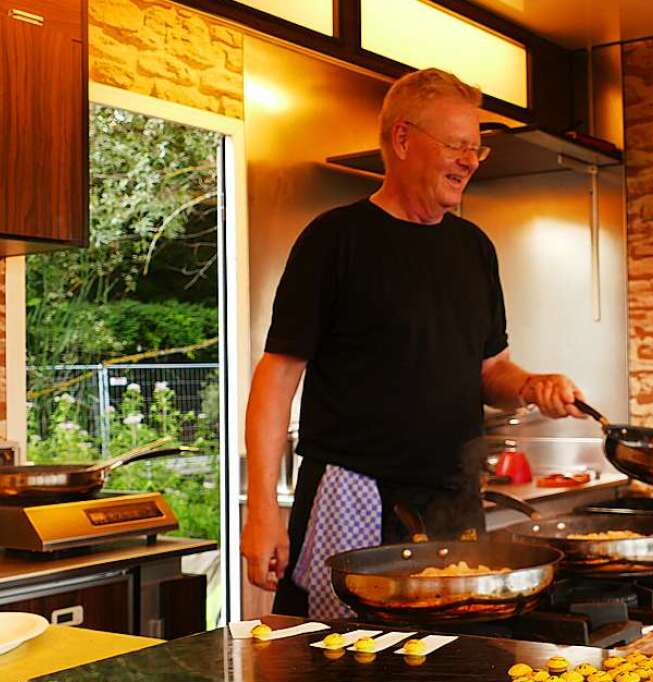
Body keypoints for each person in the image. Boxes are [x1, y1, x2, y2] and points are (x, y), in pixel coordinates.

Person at [241, 67, 586, 618]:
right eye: (456, 145)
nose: (470, 161)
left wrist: (529, 385)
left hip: (454, 501)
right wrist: (261, 510)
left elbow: (489, 370)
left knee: (450, 663)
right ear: (402, 139)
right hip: (353, 494)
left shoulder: (475, 249)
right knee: (344, 661)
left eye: (477, 149)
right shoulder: (335, 240)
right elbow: (277, 376)